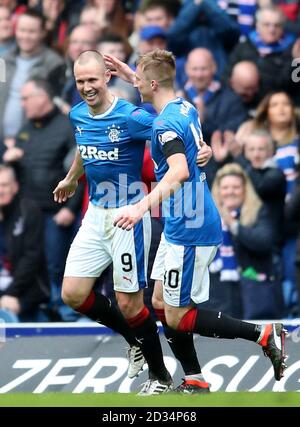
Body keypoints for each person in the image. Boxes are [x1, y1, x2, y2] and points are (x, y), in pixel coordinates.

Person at [108, 48, 288, 388]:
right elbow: (162, 98)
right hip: (183, 221)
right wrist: (130, 75)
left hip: (190, 225)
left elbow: (177, 171)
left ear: (150, 83)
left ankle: (264, 333)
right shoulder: (185, 106)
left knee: (176, 313)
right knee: (161, 302)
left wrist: (140, 207)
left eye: (139, 82)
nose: (137, 89)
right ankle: (194, 379)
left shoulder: (164, 125)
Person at [53, 50, 173, 394]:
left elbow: (170, 125)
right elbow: (83, 144)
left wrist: (199, 144)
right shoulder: (78, 114)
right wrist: (73, 178)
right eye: (80, 81)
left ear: (106, 78)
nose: (86, 87)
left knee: (129, 303)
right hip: (95, 214)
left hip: (129, 215)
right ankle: (134, 342)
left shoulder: (131, 116)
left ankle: (160, 377)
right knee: (73, 294)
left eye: (92, 79)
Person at [0, 164, 50, 322]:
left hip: (25, 291)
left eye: (4, 185)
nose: (0, 190)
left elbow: (32, 258)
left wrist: (11, 293)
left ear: (14, 187)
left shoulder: (28, 210)